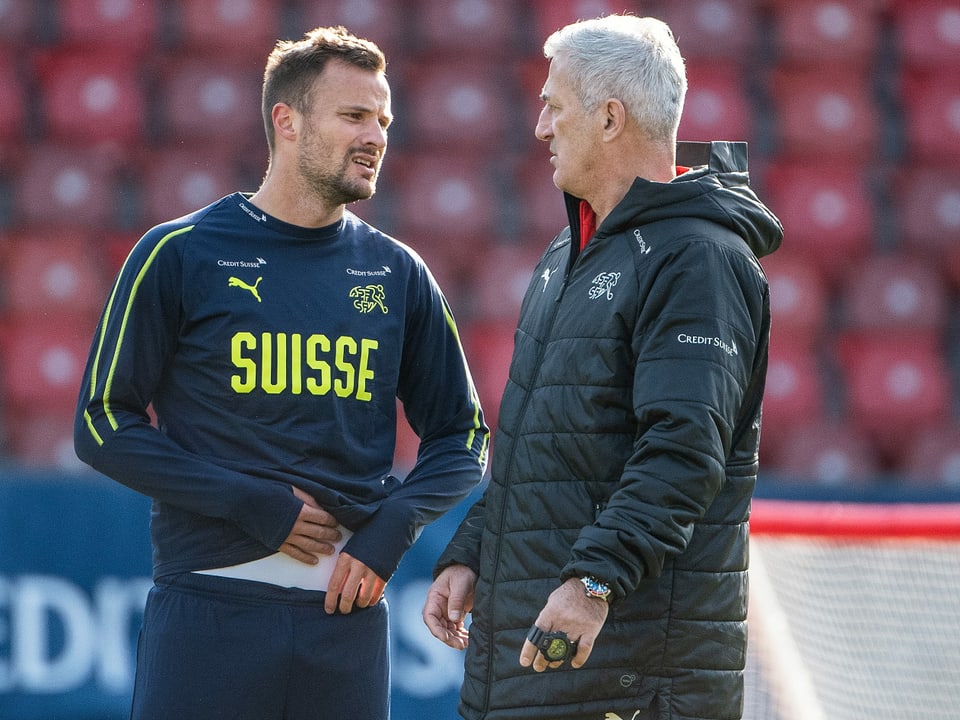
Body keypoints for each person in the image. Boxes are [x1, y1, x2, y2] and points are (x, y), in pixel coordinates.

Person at [75, 25, 488, 720]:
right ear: (287, 121)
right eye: (355, 115)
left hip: (348, 625)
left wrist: (396, 526)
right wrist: (249, 501)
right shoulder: (178, 251)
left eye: (383, 119)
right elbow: (99, 422)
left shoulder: (398, 272)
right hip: (209, 613)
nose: (377, 135)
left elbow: (464, 435)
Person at [423, 14, 782, 720]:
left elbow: (683, 450)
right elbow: (543, 444)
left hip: (628, 676)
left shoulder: (698, 260)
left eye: (554, 107)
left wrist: (594, 583)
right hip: (534, 670)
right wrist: (473, 549)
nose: (541, 129)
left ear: (610, 118)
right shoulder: (569, 253)